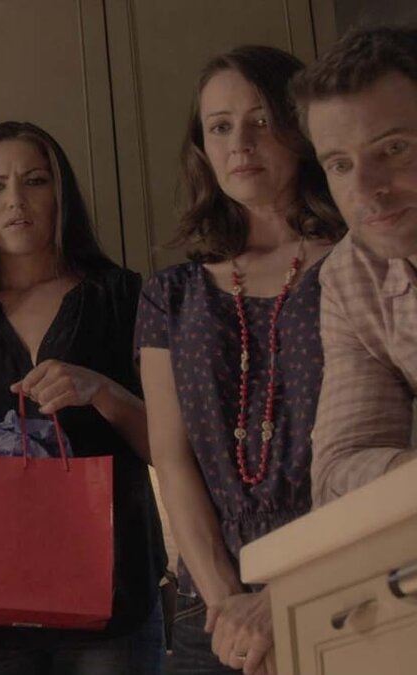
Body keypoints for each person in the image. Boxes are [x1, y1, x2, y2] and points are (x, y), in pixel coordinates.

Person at [0, 120, 166, 674]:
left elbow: (172, 449)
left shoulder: (126, 298)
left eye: (34, 181)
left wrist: (103, 392)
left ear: (61, 193)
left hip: (114, 597)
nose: (15, 200)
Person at [136, 45, 344, 675]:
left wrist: (285, 597)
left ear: (300, 129)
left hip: (343, 584)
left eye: (260, 120)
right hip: (211, 612)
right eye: (220, 127)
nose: (240, 144)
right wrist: (228, 602)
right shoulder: (171, 294)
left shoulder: (358, 264)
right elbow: (172, 459)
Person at [294, 26, 417, 505]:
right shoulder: (352, 275)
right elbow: (337, 471)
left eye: (394, 148)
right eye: (340, 165)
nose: (365, 189)